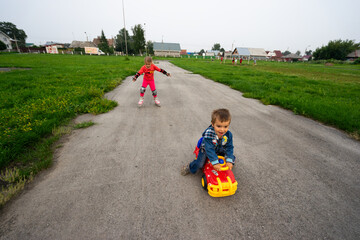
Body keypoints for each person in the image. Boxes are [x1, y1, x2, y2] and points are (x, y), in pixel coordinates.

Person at [181, 108, 235, 175]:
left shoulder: (228, 134)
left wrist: (229, 160)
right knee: (199, 164)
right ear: (212, 124)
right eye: (218, 126)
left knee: (231, 158)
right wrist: (215, 162)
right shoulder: (209, 134)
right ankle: (190, 167)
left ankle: (228, 160)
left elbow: (229, 147)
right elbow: (209, 149)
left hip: (220, 148)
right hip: (207, 149)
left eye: (225, 126)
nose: (222, 130)